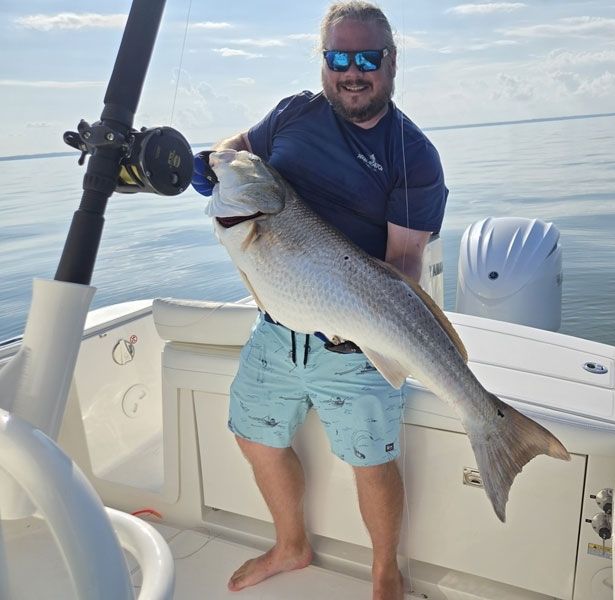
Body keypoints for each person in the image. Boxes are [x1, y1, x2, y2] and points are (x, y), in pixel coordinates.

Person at [191, 2, 448, 599]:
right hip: (276, 328)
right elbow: (237, 152)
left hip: (358, 337)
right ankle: (291, 545)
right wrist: (211, 163)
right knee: (254, 437)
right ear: (323, 60)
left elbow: (404, 268)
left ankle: (387, 574)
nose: (351, 72)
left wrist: (360, 330)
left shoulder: (414, 155)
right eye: (338, 57)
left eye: (366, 58)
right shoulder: (293, 113)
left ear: (391, 61)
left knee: (370, 461)